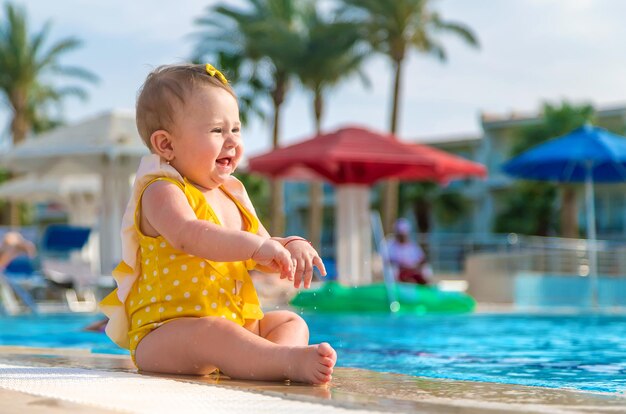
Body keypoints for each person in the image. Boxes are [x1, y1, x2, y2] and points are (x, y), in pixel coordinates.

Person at [99, 63, 336, 385]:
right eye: (216, 131)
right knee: (215, 332)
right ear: (166, 145)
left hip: (235, 326)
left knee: (288, 321)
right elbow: (189, 235)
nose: (231, 141)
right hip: (167, 333)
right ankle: (278, 361)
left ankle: (271, 359)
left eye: (236, 129)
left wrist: (289, 246)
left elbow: (263, 253)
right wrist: (257, 245)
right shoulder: (162, 190)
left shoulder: (232, 194)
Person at [387, 218, 432, 285]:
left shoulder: (413, 246)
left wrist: (416, 266)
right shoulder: (390, 245)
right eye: (401, 233)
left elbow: (422, 259)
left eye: (404, 233)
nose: (403, 236)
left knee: (426, 272)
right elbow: (389, 261)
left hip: (414, 270)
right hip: (401, 272)